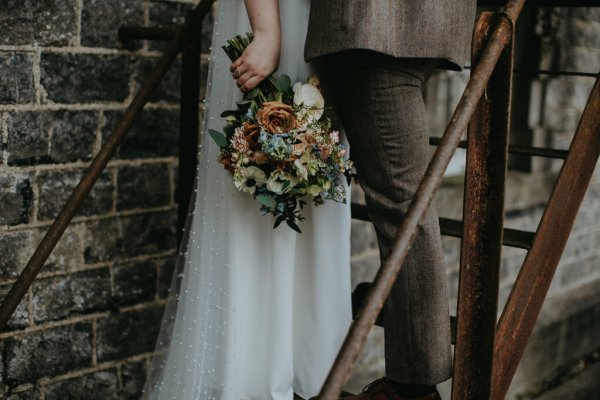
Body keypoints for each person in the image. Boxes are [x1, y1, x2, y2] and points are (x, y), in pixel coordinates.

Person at [140, 1, 352, 399]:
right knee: (262, 174)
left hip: (324, 25)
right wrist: (266, 32)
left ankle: (314, 371)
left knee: (315, 181)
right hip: (281, 19)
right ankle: (252, 372)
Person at [305, 1, 477, 399]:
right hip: (421, 24)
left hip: (372, 27)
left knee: (402, 205)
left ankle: (413, 388)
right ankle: (415, 385)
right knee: (405, 202)